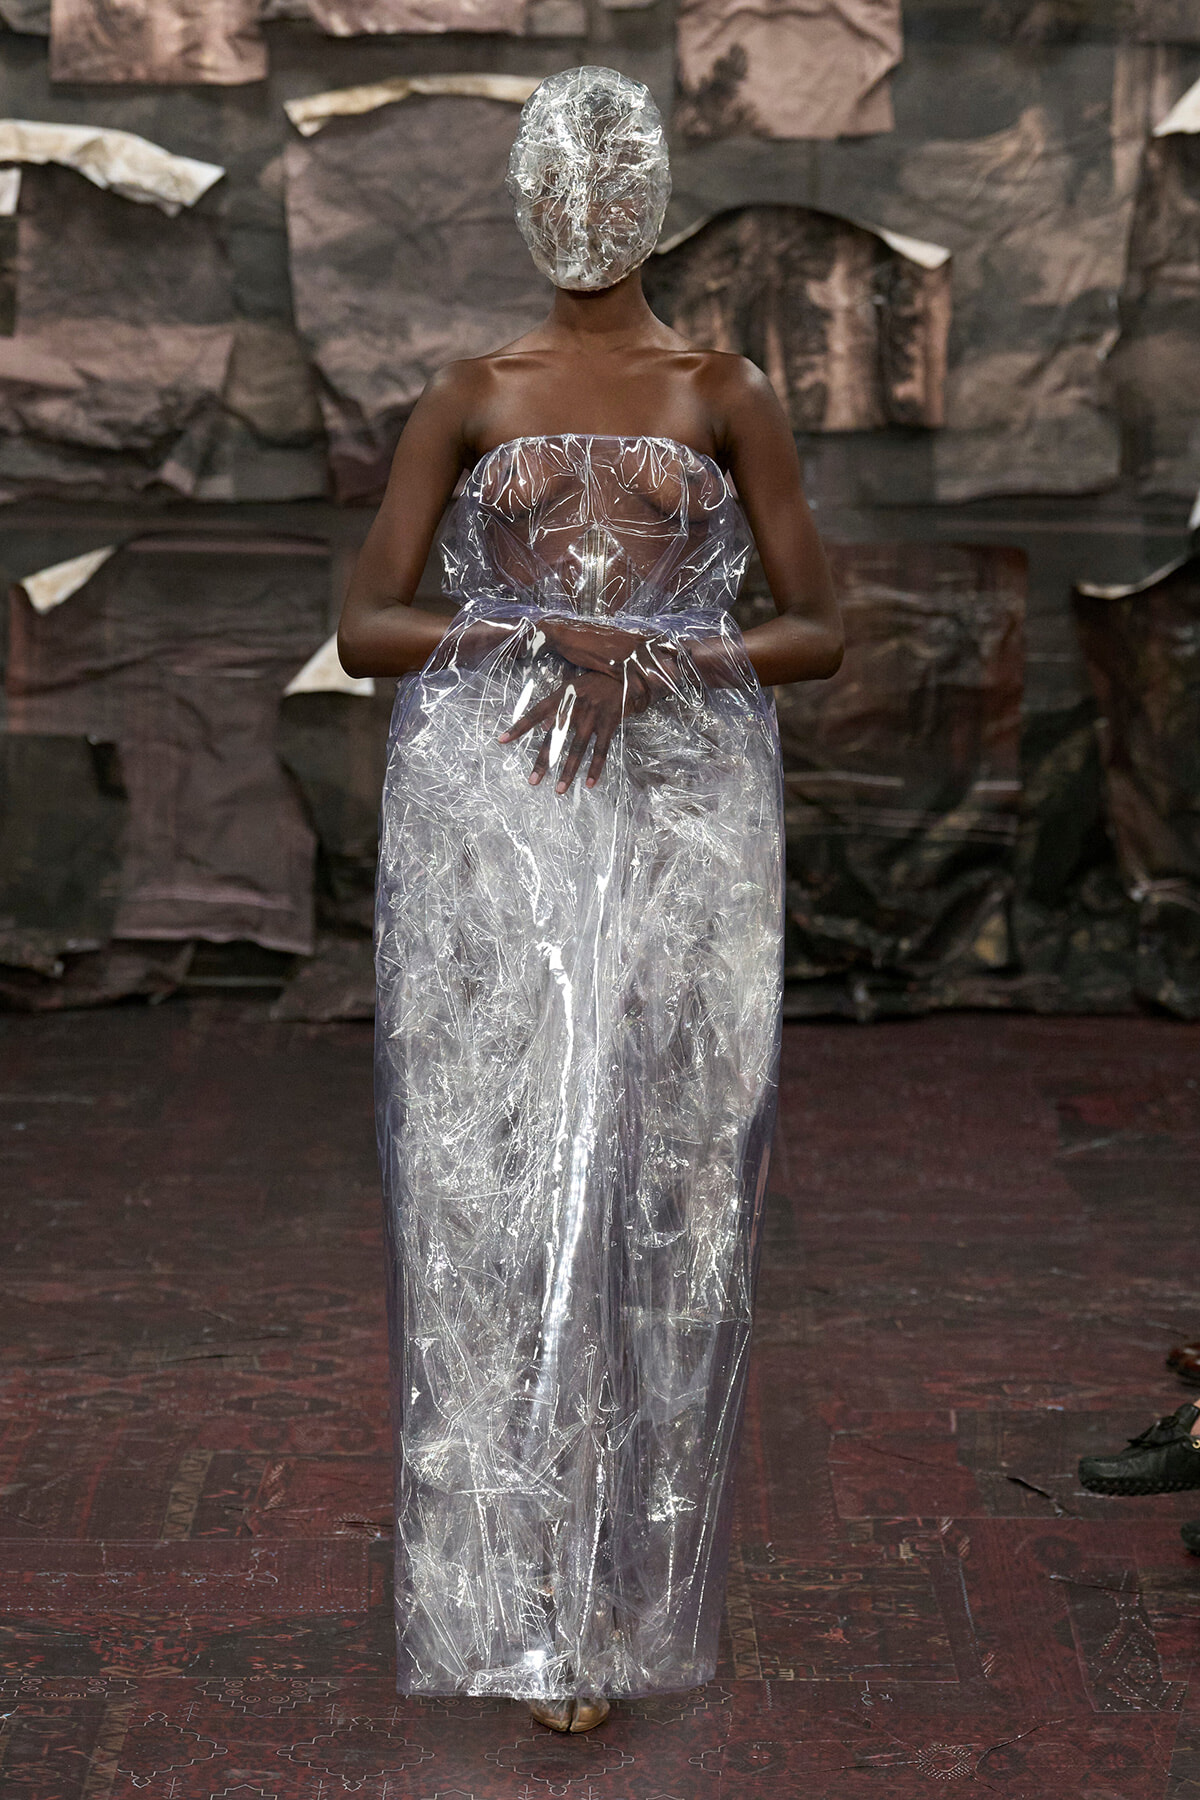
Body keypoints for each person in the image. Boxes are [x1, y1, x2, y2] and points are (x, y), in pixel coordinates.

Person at [338, 66, 842, 1733]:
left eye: (612, 178)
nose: (585, 206)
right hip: (499, 817)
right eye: (559, 179)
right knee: (493, 1178)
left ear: (653, 197)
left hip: (678, 817)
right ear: (523, 197)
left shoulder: (723, 390)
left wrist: (661, 653)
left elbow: (818, 627)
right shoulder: (471, 392)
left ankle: (620, 1586)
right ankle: (521, 1598)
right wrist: (538, 631)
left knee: (654, 1175)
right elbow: (368, 625)